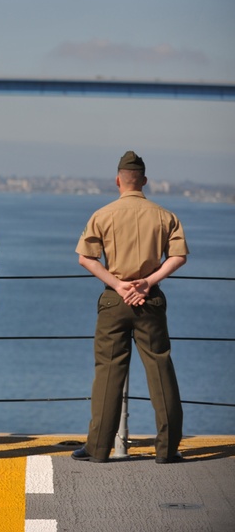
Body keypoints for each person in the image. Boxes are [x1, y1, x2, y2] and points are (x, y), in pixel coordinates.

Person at [71, 151, 188, 464]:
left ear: (118, 180)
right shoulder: (165, 216)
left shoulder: (103, 214)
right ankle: (167, 449)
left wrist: (120, 285)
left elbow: (86, 258)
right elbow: (178, 257)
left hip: (114, 299)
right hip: (150, 300)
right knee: (160, 369)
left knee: (109, 372)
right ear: (145, 181)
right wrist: (147, 283)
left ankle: (97, 449)